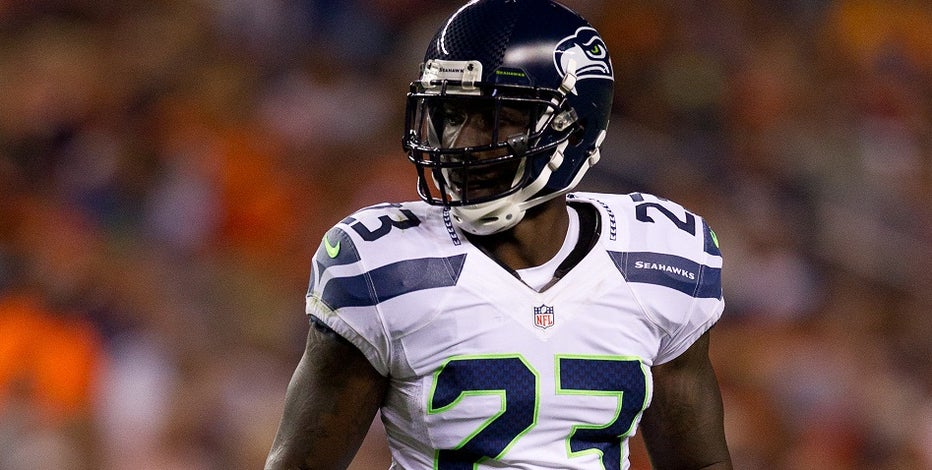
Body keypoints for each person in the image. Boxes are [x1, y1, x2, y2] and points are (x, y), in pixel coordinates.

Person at [265, 0, 733, 468]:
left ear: (577, 129)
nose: (463, 142)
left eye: (501, 117)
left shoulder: (658, 258)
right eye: (452, 114)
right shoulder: (383, 266)